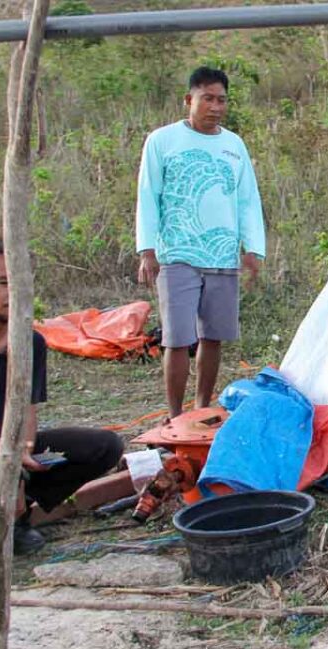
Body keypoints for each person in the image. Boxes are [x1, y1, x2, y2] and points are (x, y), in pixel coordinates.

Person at [0, 240, 123, 575]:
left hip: (1, 449)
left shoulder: (30, 342)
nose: (14, 292)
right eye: (3, 282)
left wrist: (25, 452)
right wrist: (9, 455)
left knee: (105, 446)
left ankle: (18, 518)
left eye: (21, 282)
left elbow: (27, 408)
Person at [136, 66, 266, 421]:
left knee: (213, 335)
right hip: (177, 254)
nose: (215, 106)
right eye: (207, 98)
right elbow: (149, 196)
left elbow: (247, 200)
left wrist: (252, 248)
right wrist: (147, 250)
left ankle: (202, 407)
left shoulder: (233, 145)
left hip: (222, 253)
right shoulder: (162, 141)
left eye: (221, 100)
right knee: (177, 338)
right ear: (188, 100)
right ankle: (176, 415)